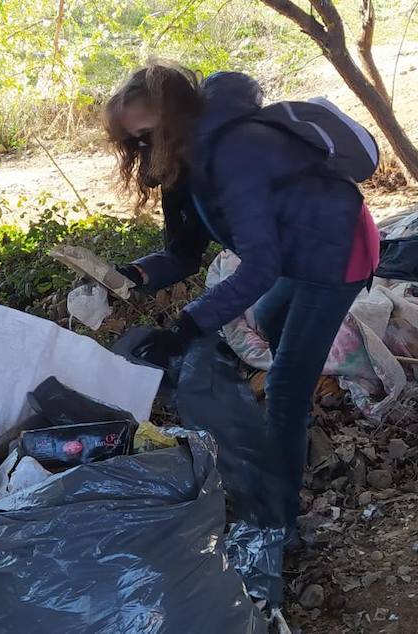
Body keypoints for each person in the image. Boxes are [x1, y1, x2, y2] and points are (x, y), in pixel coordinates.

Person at [103, 62, 380, 538]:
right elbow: (183, 253)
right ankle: (292, 428)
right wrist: (132, 275)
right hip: (298, 251)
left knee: (286, 390)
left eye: (147, 136)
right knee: (273, 325)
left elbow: (258, 266)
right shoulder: (182, 163)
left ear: (173, 122)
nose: (142, 151)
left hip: (338, 251)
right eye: (133, 143)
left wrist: (187, 328)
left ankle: (278, 523)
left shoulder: (236, 152)